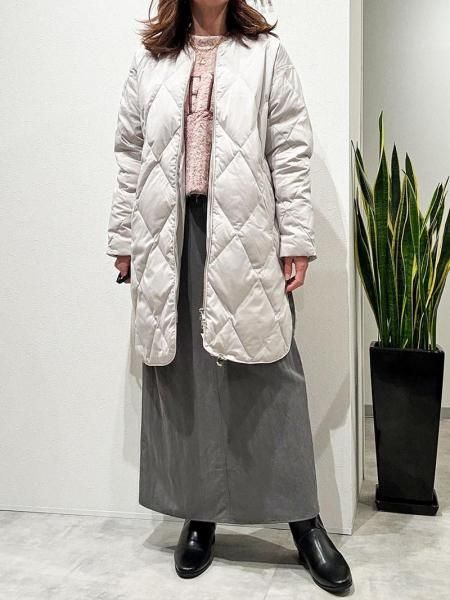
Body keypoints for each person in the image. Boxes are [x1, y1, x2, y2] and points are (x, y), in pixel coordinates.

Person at [107, 0, 352, 593]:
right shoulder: (151, 61)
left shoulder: (267, 55)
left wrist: (296, 238)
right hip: (168, 236)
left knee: (271, 375)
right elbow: (130, 155)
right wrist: (123, 240)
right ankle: (200, 515)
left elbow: (289, 150)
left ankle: (304, 521)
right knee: (188, 378)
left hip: (246, 233)